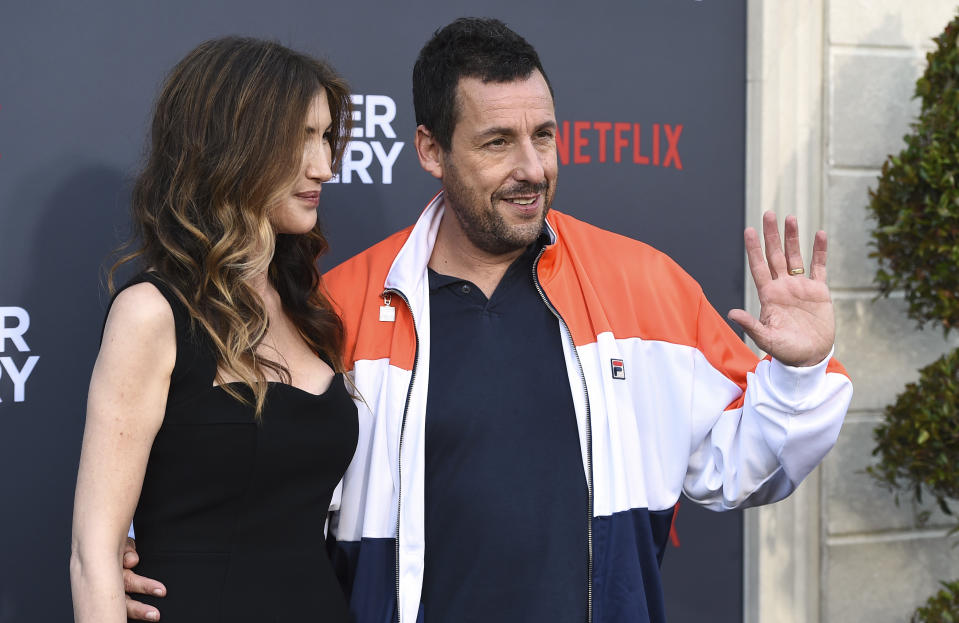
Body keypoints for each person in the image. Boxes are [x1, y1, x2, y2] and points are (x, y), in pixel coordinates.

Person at [124, 18, 853, 623]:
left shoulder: (643, 282)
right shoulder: (334, 306)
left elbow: (741, 466)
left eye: (544, 134)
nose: (531, 167)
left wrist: (798, 369)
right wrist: (139, 552)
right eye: (497, 142)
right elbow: (245, 474)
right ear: (430, 151)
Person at [70, 37, 358, 622]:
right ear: (234, 145)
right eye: (300, 137)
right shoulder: (153, 313)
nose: (325, 165)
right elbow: (93, 556)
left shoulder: (308, 309)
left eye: (326, 137)